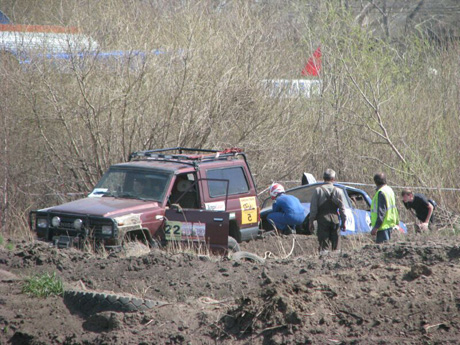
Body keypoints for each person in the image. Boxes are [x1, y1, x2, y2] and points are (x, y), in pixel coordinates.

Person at [309, 169, 347, 252]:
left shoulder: (318, 190)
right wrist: (344, 221)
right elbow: (342, 209)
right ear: (333, 179)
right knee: (336, 248)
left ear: (323, 178)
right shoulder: (338, 191)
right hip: (335, 220)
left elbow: (313, 208)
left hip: (322, 220)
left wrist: (311, 221)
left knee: (323, 248)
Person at [370, 172, 400, 243]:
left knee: (381, 250)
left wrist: (376, 227)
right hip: (390, 224)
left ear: (376, 182)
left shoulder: (381, 192)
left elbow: (382, 212)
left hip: (383, 227)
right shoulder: (390, 190)